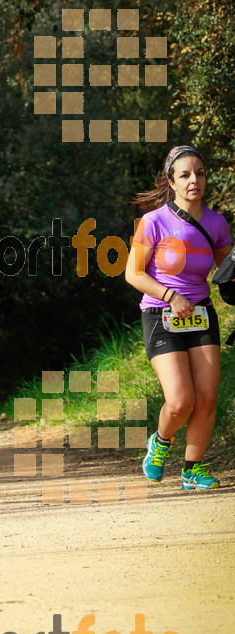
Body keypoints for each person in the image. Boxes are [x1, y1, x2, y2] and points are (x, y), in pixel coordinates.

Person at [125, 145, 232, 489]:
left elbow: (226, 270)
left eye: (199, 173)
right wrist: (172, 296)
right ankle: (160, 441)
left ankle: (192, 469)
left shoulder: (216, 223)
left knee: (207, 396)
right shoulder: (153, 222)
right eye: (185, 175)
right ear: (171, 181)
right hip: (161, 315)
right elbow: (133, 274)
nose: (194, 181)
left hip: (201, 314)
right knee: (180, 399)